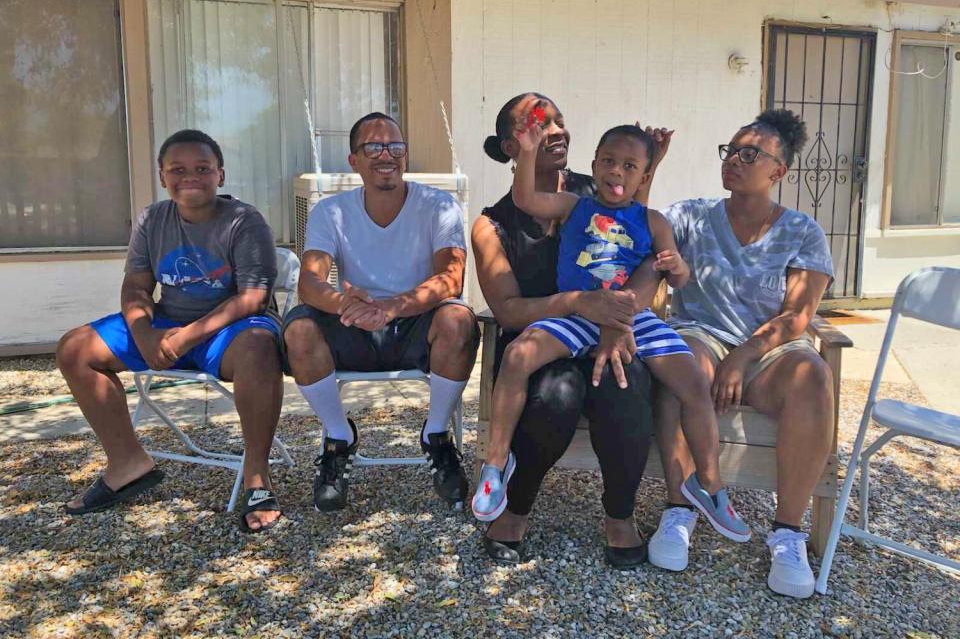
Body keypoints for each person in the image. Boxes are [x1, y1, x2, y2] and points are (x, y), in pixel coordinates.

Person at [472, 105, 751, 548]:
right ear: (595, 162)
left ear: (642, 175)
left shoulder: (652, 219)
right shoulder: (575, 207)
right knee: (518, 355)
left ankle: (710, 485)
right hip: (578, 315)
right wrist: (528, 153)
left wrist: (675, 265)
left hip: (632, 320)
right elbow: (526, 199)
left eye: (629, 166)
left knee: (691, 381)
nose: (616, 172)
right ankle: (495, 464)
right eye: (608, 162)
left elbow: (672, 273)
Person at [472, 92, 674, 568]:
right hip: (539, 342)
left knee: (627, 387)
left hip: (608, 332)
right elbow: (508, 312)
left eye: (558, 119)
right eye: (539, 124)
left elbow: (638, 247)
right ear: (511, 146)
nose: (555, 129)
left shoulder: (599, 190)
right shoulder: (492, 225)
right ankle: (516, 508)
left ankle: (619, 516)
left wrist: (617, 318)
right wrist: (581, 303)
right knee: (555, 396)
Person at [56, 129, 285, 533]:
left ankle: (256, 477)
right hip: (167, 323)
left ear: (221, 175)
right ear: (163, 176)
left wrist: (187, 337)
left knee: (260, 350)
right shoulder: (152, 218)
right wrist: (145, 333)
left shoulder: (244, 222)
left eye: (202, 168)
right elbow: (136, 286)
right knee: (76, 348)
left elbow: (252, 298)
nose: (190, 177)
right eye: (178, 169)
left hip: (232, 328)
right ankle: (128, 462)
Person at [648, 109, 835, 599]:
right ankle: (680, 509)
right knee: (680, 360)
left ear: (778, 171)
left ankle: (788, 531)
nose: (734, 159)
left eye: (749, 154)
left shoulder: (802, 232)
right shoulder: (689, 216)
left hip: (769, 349)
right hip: (702, 335)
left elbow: (798, 315)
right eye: (730, 150)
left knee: (813, 374)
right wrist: (648, 167)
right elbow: (636, 229)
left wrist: (745, 355)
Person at [283, 112, 479, 514]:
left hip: (414, 326)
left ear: (406, 155)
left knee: (458, 319)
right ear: (353, 160)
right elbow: (310, 282)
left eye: (395, 145)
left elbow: (451, 278)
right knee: (299, 330)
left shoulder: (438, 205)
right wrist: (343, 304)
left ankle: (437, 436)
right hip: (355, 325)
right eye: (372, 146)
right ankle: (339, 439)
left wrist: (393, 307)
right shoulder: (330, 210)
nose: (385, 154)